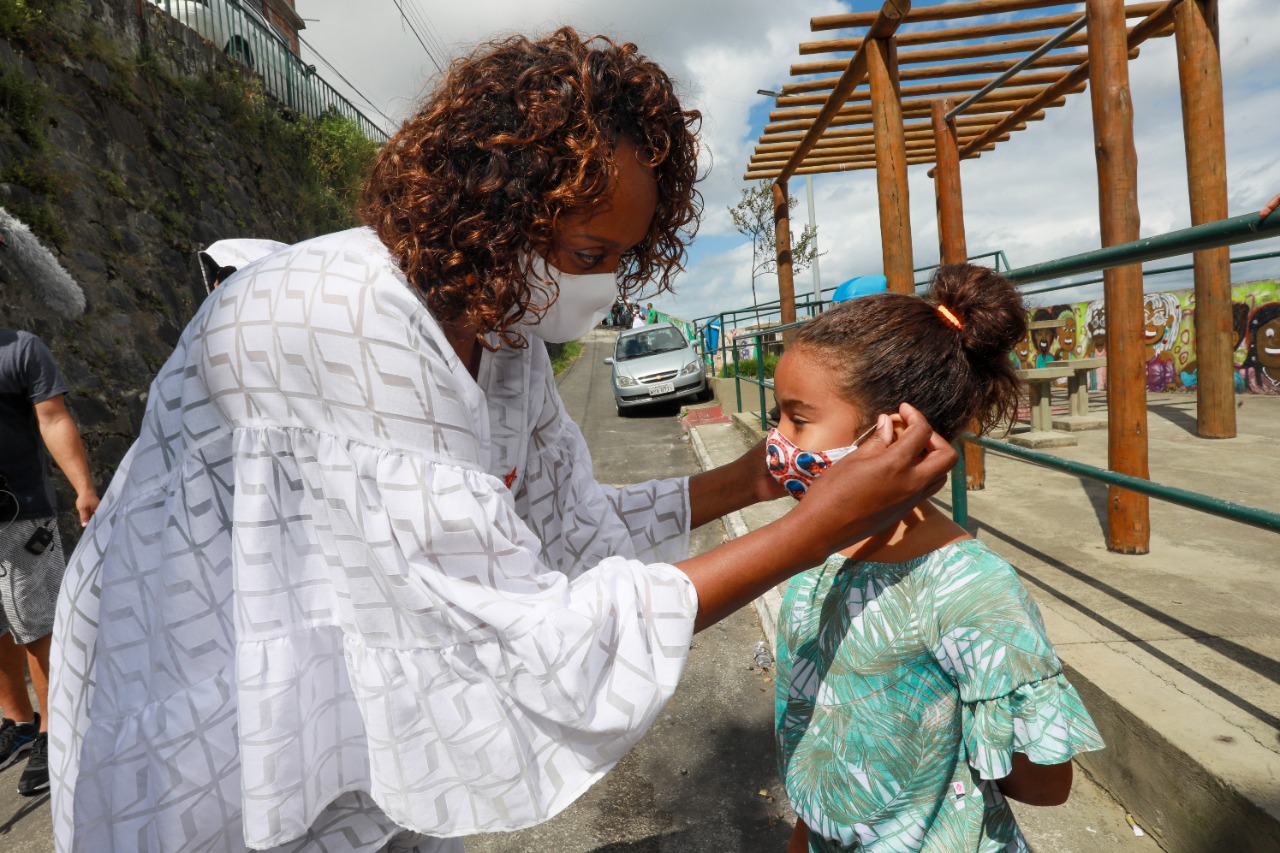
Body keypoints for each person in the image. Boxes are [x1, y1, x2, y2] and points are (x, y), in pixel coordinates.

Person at [49, 28, 956, 853]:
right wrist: (814, 529)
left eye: (622, 260)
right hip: (216, 703)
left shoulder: (505, 331)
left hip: (340, 695)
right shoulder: (346, 320)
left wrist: (748, 484)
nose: (604, 289)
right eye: (590, 254)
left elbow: (569, 525)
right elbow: (519, 632)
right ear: (490, 207)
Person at [770, 265, 1105, 853]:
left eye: (798, 419)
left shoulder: (970, 588)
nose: (777, 438)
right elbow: (817, 747)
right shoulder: (813, 548)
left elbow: (1047, 782)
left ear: (896, 429)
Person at [0, 328, 98, 797]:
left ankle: (53, 732)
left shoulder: (20, 349)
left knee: (37, 625)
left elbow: (53, 416)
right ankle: (19, 723)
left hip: (20, 515)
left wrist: (83, 487)